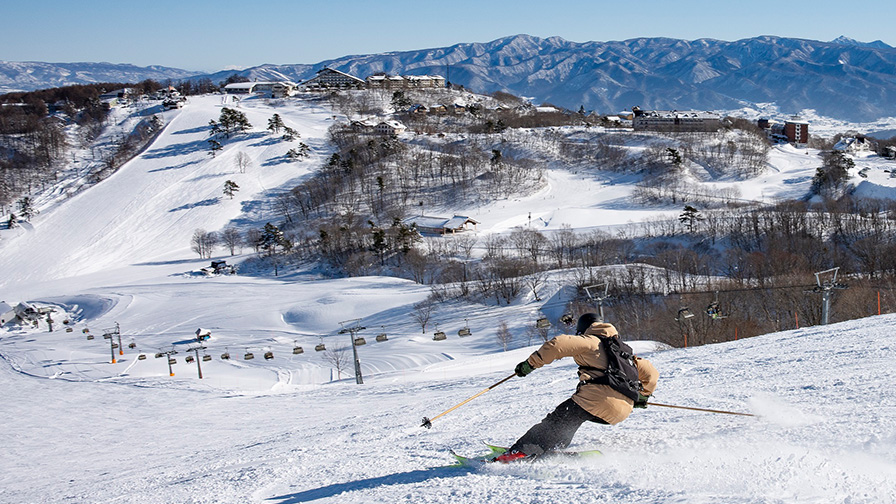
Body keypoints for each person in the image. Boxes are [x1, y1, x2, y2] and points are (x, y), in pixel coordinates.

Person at [494, 313, 658, 462]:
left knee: (559, 419)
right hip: (622, 410)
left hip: (598, 400)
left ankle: (521, 452)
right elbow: (651, 374)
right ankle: (556, 444)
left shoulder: (592, 341)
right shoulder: (623, 352)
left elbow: (558, 344)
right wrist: (641, 397)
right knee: (573, 416)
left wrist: (530, 364)